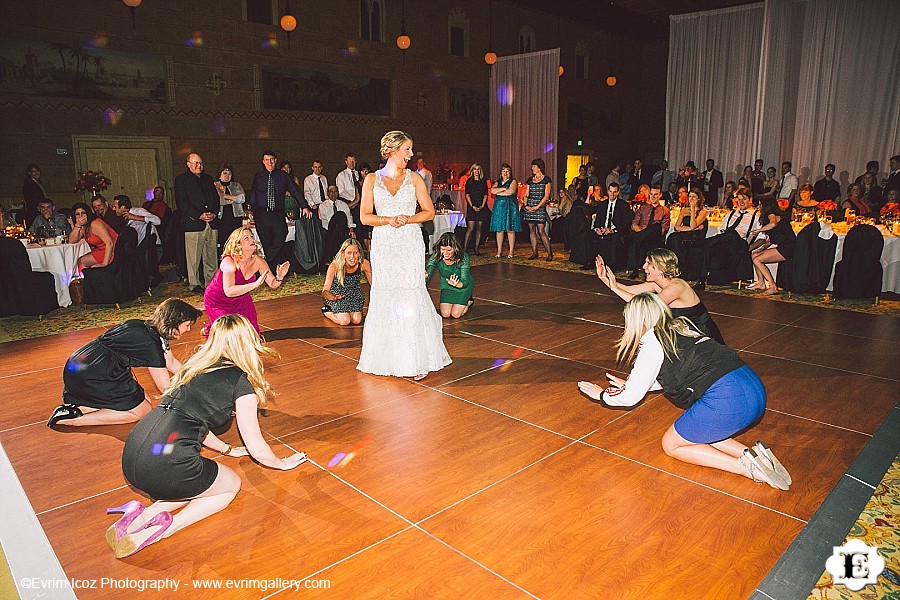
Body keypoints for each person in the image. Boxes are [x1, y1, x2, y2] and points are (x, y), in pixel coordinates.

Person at [113, 314, 308, 558]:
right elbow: (257, 448)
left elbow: (195, 422)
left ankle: (139, 516)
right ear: (248, 341)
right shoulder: (240, 383)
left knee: (193, 484)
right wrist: (281, 464)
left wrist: (226, 449)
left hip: (135, 454)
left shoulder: (195, 368)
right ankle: (164, 529)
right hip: (164, 465)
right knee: (229, 486)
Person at [577, 293, 789, 491]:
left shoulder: (652, 341)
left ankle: (746, 468)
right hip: (752, 389)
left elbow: (630, 397)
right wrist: (632, 384)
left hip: (729, 399)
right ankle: (753, 454)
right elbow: (676, 372)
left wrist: (602, 395)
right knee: (695, 432)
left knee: (672, 444)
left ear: (639, 320)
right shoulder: (681, 328)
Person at [357, 130, 451, 380]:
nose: (411, 154)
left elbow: (429, 212)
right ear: (392, 151)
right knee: (386, 293)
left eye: (410, 149)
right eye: (407, 149)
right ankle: (385, 358)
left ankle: (416, 359)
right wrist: (388, 220)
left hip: (410, 242)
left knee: (410, 294)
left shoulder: (416, 179)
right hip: (385, 243)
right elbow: (364, 216)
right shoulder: (371, 180)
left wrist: (408, 219)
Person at [47, 298, 202, 428]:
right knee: (143, 411)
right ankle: (73, 420)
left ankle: (77, 408)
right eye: (187, 325)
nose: (188, 330)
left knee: (146, 401)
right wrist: (198, 401)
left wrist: (197, 377)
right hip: (94, 374)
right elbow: (165, 387)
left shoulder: (146, 327)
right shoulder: (150, 344)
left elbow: (172, 362)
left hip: (83, 365)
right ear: (174, 322)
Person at [596, 249, 724, 344]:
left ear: (660, 268)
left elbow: (646, 305)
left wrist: (614, 287)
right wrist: (604, 279)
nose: (643, 267)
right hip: (683, 332)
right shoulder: (654, 284)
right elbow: (628, 290)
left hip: (701, 332)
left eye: (648, 264)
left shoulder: (677, 286)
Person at [202, 227, 289, 336]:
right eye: (246, 238)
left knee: (252, 336)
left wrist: (279, 276)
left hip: (241, 299)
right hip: (218, 301)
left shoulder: (258, 261)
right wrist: (254, 284)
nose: (252, 239)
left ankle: (214, 326)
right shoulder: (229, 261)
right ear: (238, 244)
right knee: (229, 336)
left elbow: (272, 284)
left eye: (252, 236)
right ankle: (212, 327)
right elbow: (229, 291)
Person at [248, 150, 311, 270]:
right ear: (263, 162)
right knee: (267, 244)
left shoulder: (283, 176)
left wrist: (304, 206)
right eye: (266, 160)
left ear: (275, 160)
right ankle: (269, 273)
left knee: (281, 239)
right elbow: (253, 195)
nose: (269, 162)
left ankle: (264, 265)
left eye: (272, 159)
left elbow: (295, 190)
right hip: (262, 215)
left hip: (277, 214)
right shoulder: (258, 176)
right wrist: (251, 211)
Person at [175, 153, 219, 293]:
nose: (199, 165)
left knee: (211, 256)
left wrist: (214, 213)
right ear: (188, 164)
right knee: (194, 257)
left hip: (211, 223)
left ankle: (211, 282)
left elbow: (215, 199)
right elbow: (182, 202)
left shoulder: (208, 178)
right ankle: (194, 283)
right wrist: (198, 215)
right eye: (195, 163)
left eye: (200, 163)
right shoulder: (182, 180)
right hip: (194, 223)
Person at [748, 197, 796, 295]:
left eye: (760, 204)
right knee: (755, 255)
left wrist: (758, 231)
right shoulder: (770, 216)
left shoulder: (772, 214)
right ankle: (761, 283)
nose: (758, 207)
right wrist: (762, 248)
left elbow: (773, 224)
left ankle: (773, 286)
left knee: (758, 260)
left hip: (788, 247)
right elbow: (771, 239)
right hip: (784, 246)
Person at [322, 238, 371, 325]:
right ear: (343, 253)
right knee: (345, 321)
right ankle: (327, 311)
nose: (352, 257)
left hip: (355, 295)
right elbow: (325, 290)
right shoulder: (335, 266)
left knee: (356, 320)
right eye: (349, 253)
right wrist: (332, 297)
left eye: (355, 253)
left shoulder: (364, 264)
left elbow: (373, 284)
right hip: (337, 296)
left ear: (359, 253)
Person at [426, 232, 474, 319]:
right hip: (447, 285)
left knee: (456, 315)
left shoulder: (463, 257)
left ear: (455, 249)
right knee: (445, 314)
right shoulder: (436, 256)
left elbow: (465, 281)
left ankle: (468, 301)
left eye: (449, 250)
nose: (445, 253)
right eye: (443, 249)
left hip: (462, 286)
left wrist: (457, 284)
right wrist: (425, 276)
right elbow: (428, 273)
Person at [626, 185, 670, 279]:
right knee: (636, 236)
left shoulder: (664, 210)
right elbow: (634, 224)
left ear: (660, 195)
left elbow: (663, 229)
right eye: (651, 194)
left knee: (656, 226)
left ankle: (639, 238)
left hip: (654, 237)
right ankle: (635, 272)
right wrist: (641, 232)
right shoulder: (643, 208)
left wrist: (646, 232)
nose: (653, 197)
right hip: (641, 236)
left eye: (655, 195)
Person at [585, 181, 631, 270]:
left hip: (615, 230)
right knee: (587, 235)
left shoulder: (623, 205)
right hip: (602, 229)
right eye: (610, 191)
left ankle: (612, 265)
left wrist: (612, 230)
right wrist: (597, 229)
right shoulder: (602, 204)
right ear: (607, 191)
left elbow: (626, 223)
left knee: (614, 238)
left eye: (614, 192)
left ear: (618, 192)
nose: (612, 194)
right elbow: (597, 221)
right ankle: (590, 262)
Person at [68, 202, 117, 269]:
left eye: (83, 213)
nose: (81, 216)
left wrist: (105, 263)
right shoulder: (84, 226)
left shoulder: (95, 224)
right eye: (77, 214)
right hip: (102, 249)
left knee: (81, 261)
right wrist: (77, 225)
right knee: (80, 260)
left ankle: (86, 278)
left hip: (113, 250)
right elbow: (72, 241)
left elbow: (110, 243)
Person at [666, 188, 708, 267]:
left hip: (696, 236)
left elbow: (693, 225)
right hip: (685, 233)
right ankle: (673, 264)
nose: (691, 199)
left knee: (677, 239)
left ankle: (680, 265)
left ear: (698, 198)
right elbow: (677, 227)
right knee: (673, 236)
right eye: (690, 196)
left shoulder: (703, 212)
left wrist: (693, 211)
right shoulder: (684, 210)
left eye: (694, 196)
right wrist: (691, 228)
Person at [523, 158, 553, 261]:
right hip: (530, 206)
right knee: (531, 230)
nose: (532, 168)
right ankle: (535, 252)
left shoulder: (546, 180)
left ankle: (549, 253)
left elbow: (546, 196)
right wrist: (526, 205)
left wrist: (537, 207)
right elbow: (526, 194)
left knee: (541, 231)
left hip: (539, 207)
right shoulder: (530, 180)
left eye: (534, 166)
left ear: (539, 168)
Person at [489, 163, 520, 258]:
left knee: (510, 229)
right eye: (503, 171)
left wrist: (499, 192)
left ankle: (511, 251)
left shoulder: (513, 181)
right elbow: (492, 191)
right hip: (499, 208)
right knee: (499, 230)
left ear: (510, 173)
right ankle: (499, 251)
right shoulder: (497, 182)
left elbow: (510, 192)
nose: (505, 173)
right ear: (501, 173)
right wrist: (503, 189)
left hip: (510, 207)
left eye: (507, 171)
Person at [214, 164, 246, 252]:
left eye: (229, 174)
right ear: (220, 174)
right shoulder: (216, 185)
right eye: (225, 173)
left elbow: (242, 198)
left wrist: (225, 196)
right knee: (223, 242)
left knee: (236, 242)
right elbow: (218, 201)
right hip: (222, 218)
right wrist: (233, 199)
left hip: (235, 218)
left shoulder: (236, 185)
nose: (227, 176)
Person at [463, 163, 489, 255]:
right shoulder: (469, 181)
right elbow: (467, 195)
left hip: (481, 206)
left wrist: (482, 205)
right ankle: (465, 249)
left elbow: (486, 195)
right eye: (475, 169)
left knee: (479, 228)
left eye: (478, 169)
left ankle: (476, 248)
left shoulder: (483, 182)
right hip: (472, 206)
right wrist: (472, 206)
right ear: (472, 171)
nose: (477, 171)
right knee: (470, 228)